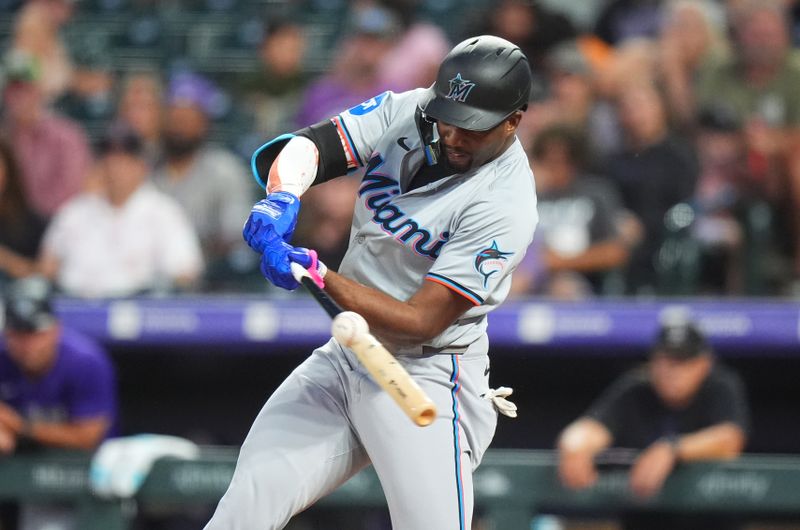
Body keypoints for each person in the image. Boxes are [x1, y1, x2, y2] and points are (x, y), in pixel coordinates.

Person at [205, 35, 537, 530]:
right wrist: (282, 196)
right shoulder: (411, 110)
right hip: (346, 357)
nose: (453, 135)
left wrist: (321, 276)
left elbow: (421, 322)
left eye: (472, 127)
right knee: (245, 509)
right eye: (448, 117)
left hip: (425, 375)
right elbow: (312, 146)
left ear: (513, 120)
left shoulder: (505, 203)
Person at [557, 316, 750, 530]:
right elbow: (590, 428)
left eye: (683, 362)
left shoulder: (720, 386)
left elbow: (729, 440)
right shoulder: (636, 388)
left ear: (703, 364)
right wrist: (574, 446)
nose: (672, 371)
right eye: (665, 361)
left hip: (709, 522)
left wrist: (672, 448)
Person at [0, 275, 118, 530]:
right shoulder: (2, 358)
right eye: (18, 335)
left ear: (55, 329)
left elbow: (88, 436)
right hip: (25, 481)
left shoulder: (85, 361)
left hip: (91, 481)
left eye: (35, 334)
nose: (27, 345)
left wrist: (20, 426)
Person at [38, 123, 204, 298]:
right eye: (109, 157)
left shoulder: (164, 212)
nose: (114, 166)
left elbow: (185, 274)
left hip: (139, 311)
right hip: (75, 308)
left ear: (142, 165)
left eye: (124, 159)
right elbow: (46, 269)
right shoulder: (75, 211)